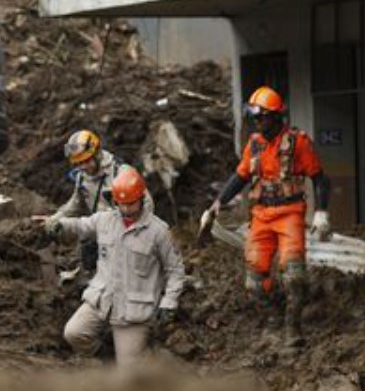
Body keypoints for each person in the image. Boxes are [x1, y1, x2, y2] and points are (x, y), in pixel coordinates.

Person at [206, 86, 330, 345]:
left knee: (294, 276)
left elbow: (319, 178)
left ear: (276, 116)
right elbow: (240, 177)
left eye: (261, 117)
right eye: (254, 118)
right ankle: (275, 316)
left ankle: (292, 328)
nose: (257, 122)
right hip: (261, 216)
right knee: (253, 284)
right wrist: (218, 203)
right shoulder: (255, 145)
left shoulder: (298, 143)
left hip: (290, 214)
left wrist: (321, 211)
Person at [45, 165, 185, 370]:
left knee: (129, 372)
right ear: (114, 201)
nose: (126, 210)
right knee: (73, 333)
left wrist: (169, 302)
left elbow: (175, 270)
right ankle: (108, 356)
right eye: (121, 204)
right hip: (102, 299)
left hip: (134, 310)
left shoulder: (158, 231)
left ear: (141, 199)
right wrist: (61, 225)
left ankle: (147, 357)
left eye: (131, 204)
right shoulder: (105, 220)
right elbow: (81, 225)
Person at [34, 130, 151, 274]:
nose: (84, 166)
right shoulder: (82, 177)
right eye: (79, 163)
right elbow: (75, 204)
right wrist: (54, 219)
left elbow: (147, 206)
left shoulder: (121, 173)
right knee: (89, 256)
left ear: (97, 154)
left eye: (87, 161)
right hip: (101, 232)